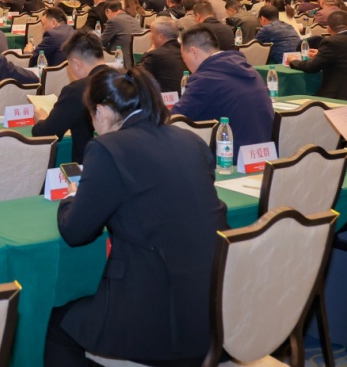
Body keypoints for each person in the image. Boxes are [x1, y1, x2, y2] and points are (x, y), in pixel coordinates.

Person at [45, 66, 228, 367]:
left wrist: (70, 198)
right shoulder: (190, 140)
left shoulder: (107, 148)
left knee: (54, 324)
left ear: (102, 111)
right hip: (217, 310)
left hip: (158, 318)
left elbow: (75, 231)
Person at [172, 26, 273, 148]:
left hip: (229, 155)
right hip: (265, 151)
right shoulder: (249, 69)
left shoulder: (205, 78)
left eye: (184, 59)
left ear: (194, 51)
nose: (186, 64)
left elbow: (175, 119)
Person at [288, 10, 347, 112]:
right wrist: (321, 54)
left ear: (328, 29)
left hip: (344, 96)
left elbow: (311, 67)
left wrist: (294, 61)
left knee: (307, 102)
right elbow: (345, 57)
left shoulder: (330, 42)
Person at [33, 30, 104, 163]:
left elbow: (46, 134)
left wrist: (41, 120)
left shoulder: (77, 90)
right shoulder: (125, 79)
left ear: (76, 64)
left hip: (89, 165)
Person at [137, 19, 186, 95]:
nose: (150, 37)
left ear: (160, 36)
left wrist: (148, 52)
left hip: (165, 100)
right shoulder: (185, 51)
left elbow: (136, 75)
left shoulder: (156, 55)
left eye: (151, 33)